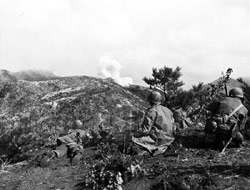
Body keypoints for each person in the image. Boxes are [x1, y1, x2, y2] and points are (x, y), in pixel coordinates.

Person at [132, 91, 176, 156]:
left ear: (150, 101)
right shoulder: (168, 110)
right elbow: (174, 128)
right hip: (170, 139)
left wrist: (135, 133)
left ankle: (148, 150)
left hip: (157, 140)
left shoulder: (151, 111)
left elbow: (145, 130)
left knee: (133, 140)